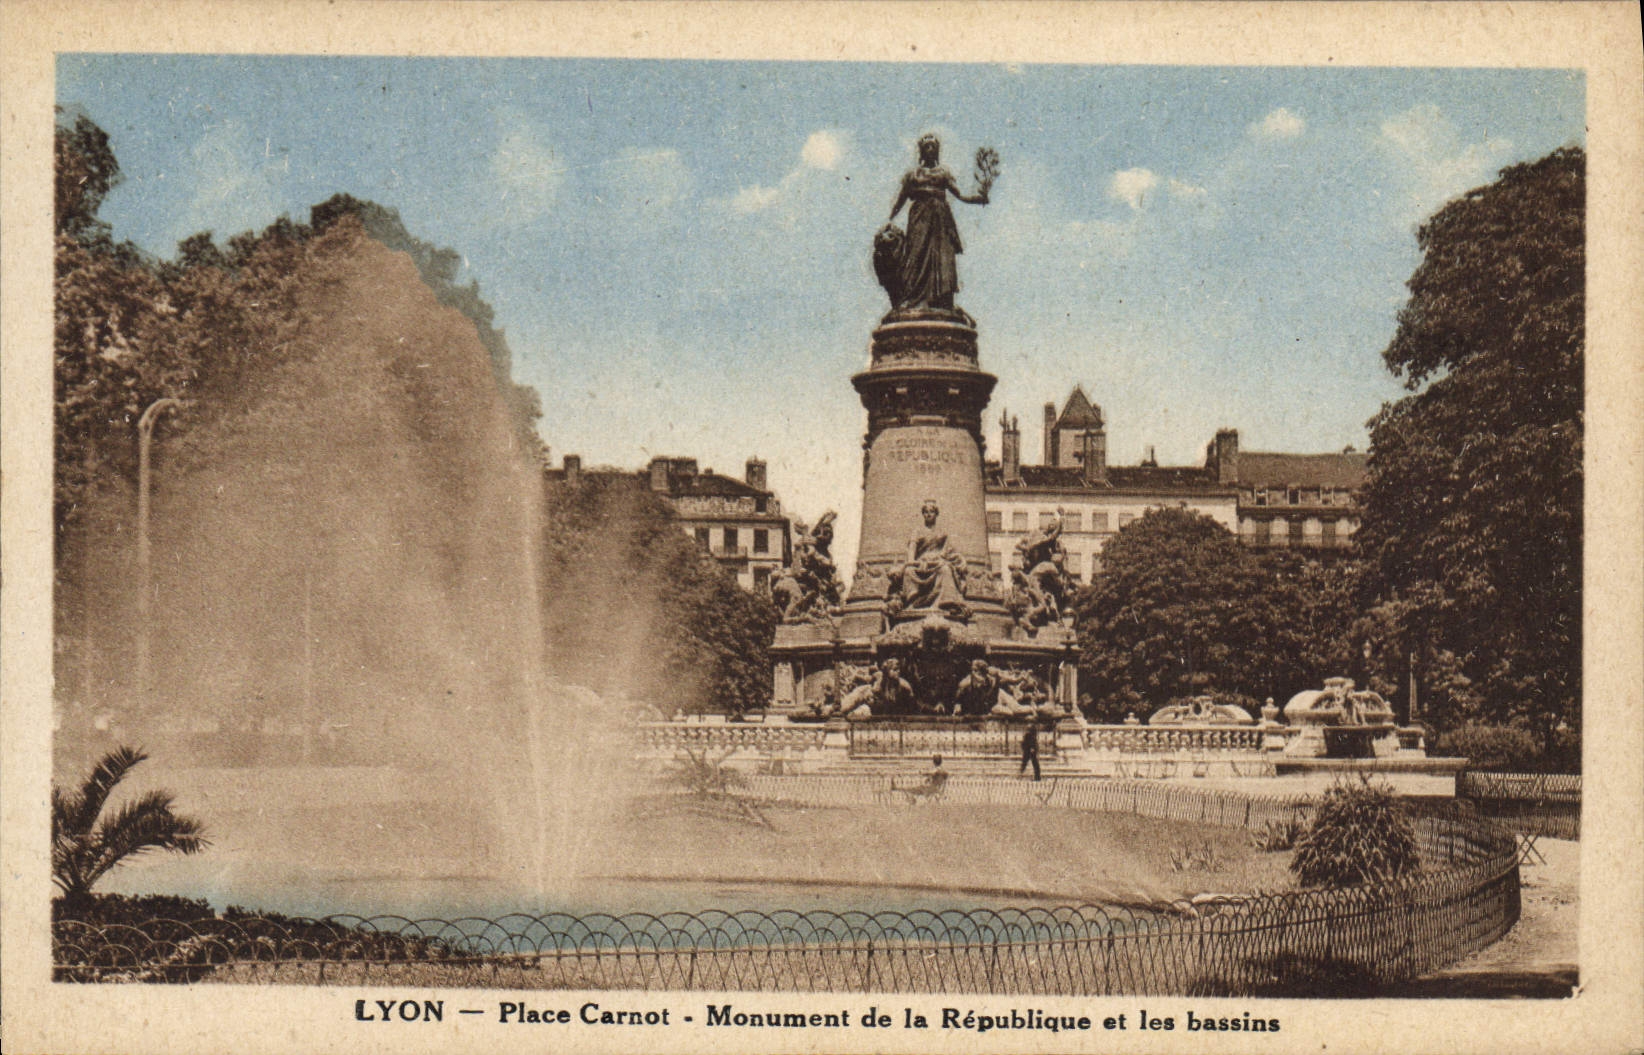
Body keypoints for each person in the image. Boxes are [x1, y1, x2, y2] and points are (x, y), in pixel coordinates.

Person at [887, 135, 990, 312]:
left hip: (940, 219)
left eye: (933, 147)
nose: (930, 150)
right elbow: (901, 199)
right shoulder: (912, 175)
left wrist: (978, 198)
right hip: (920, 216)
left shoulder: (943, 173)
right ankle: (912, 297)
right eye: (927, 147)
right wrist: (890, 219)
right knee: (915, 254)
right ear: (921, 151)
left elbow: (959, 194)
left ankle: (940, 299)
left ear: (937, 151)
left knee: (942, 256)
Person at [893, 500, 969, 615]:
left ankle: (947, 601)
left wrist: (945, 560)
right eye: (926, 512)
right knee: (909, 571)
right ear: (923, 514)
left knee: (945, 569)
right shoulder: (917, 532)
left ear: (936, 514)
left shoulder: (942, 533)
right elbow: (911, 552)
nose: (928, 514)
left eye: (931, 511)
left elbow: (946, 551)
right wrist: (913, 562)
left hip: (937, 562)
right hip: (921, 563)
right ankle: (913, 600)